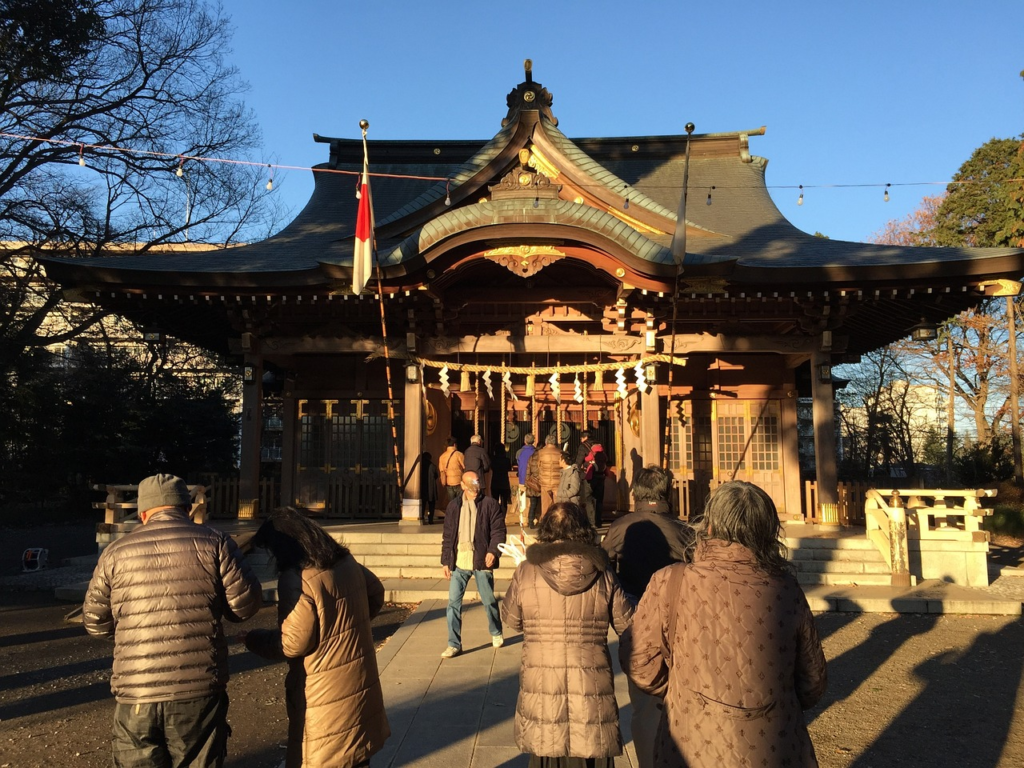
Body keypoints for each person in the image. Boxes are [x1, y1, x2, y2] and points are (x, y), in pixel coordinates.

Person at [622, 481, 828, 768]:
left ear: (708, 526)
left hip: (691, 742)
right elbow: (812, 681)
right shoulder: (786, 589)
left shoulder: (670, 581)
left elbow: (641, 663)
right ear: (767, 531)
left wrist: (685, 691)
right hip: (773, 744)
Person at [83, 473, 263, 768]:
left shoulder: (116, 552)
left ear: (142, 513)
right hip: (198, 688)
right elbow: (244, 606)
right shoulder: (216, 542)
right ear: (186, 508)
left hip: (136, 691)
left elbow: (95, 621)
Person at [242, 508, 390, 768]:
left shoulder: (297, 578)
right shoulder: (344, 561)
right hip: (358, 678)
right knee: (356, 754)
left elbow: (294, 642)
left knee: (323, 755)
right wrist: (349, 626)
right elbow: (376, 593)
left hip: (322, 688)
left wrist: (255, 639)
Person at [500, 502, 634, 768]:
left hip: (542, 683)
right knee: (589, 751)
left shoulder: (527, 570)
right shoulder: (602, 571)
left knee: (546, 751)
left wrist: (520, 576)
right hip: (591, 684)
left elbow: (511, 620)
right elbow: (628, 624)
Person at [601, 465, 692, 768]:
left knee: (643, 704)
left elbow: (604, 567)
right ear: (667, 493)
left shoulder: (620, 527)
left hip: (636, 620)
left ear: (636, 493)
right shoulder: (683, 531)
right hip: (678, 620)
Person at [439, 470, 507, 657]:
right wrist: (446, 561)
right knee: (453, 603)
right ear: (462, 485)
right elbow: (448, 535)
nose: (475, 488)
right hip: (459, 560)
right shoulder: (454, 506)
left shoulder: (490, 504)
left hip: (481, 560)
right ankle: (454, 643)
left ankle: (496, 631)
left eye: (477, 484)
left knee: (488, 601)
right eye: (471, 485)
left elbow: (498, 531)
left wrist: (493, 551)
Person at [555, 450, 594, 525]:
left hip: (570, 503)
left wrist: (560, 493)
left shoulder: (573, 472)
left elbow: (574, 489)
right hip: (563, 503)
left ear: (563, 460)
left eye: (559, 459)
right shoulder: (563, 472)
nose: (558, 461)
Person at [534, 434, 563, 521]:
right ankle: (558, 524)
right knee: (558, 508)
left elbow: (538, 466)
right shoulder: (560, 452)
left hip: (545, 482)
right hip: (557, 482)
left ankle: (545, 525)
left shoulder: (541, 452)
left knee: (545, 507)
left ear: (546, 442)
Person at [584, 442, 608, 527]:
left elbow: (587, 459)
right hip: (601, 479)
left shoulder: (593, 454)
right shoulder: (604, 456)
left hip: (592, 479)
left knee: (589, 499)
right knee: (599, 501)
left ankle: (592, 521)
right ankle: (598, 521)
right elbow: (607, 472)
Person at [438, 437, 465, 505]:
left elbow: (441, 470)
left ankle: (452, 514)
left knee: (451, 503)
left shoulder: (442, 456)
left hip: (448, 482)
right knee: (460, 502)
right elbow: (465, 466)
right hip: (458, 481)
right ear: (455, 445)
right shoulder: (459, 454)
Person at [490, 443, 512, 518]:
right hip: (504, 482)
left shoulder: (493, 460)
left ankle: (495, 517)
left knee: (495, 501)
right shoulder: (507, 460)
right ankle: (503, 518)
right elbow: (509, 469)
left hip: (495, 482)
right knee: (504, 502)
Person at [420, 451, 441, 525]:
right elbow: (436, 476)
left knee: (422, 504)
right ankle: (430, 519)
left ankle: (421, 517)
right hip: (431, 488)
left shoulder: (420, 466)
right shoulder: (433, 466)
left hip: (422, 488)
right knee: (431, 505)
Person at [524, 449, 542, 529]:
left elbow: (527, 472)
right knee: (542, 504)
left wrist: (527, 483)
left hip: (533, 484)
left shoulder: (531, 458)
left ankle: (530, 521)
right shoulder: (542, 459)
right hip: (541, 483)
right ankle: (540, 521)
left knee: (533, 504)